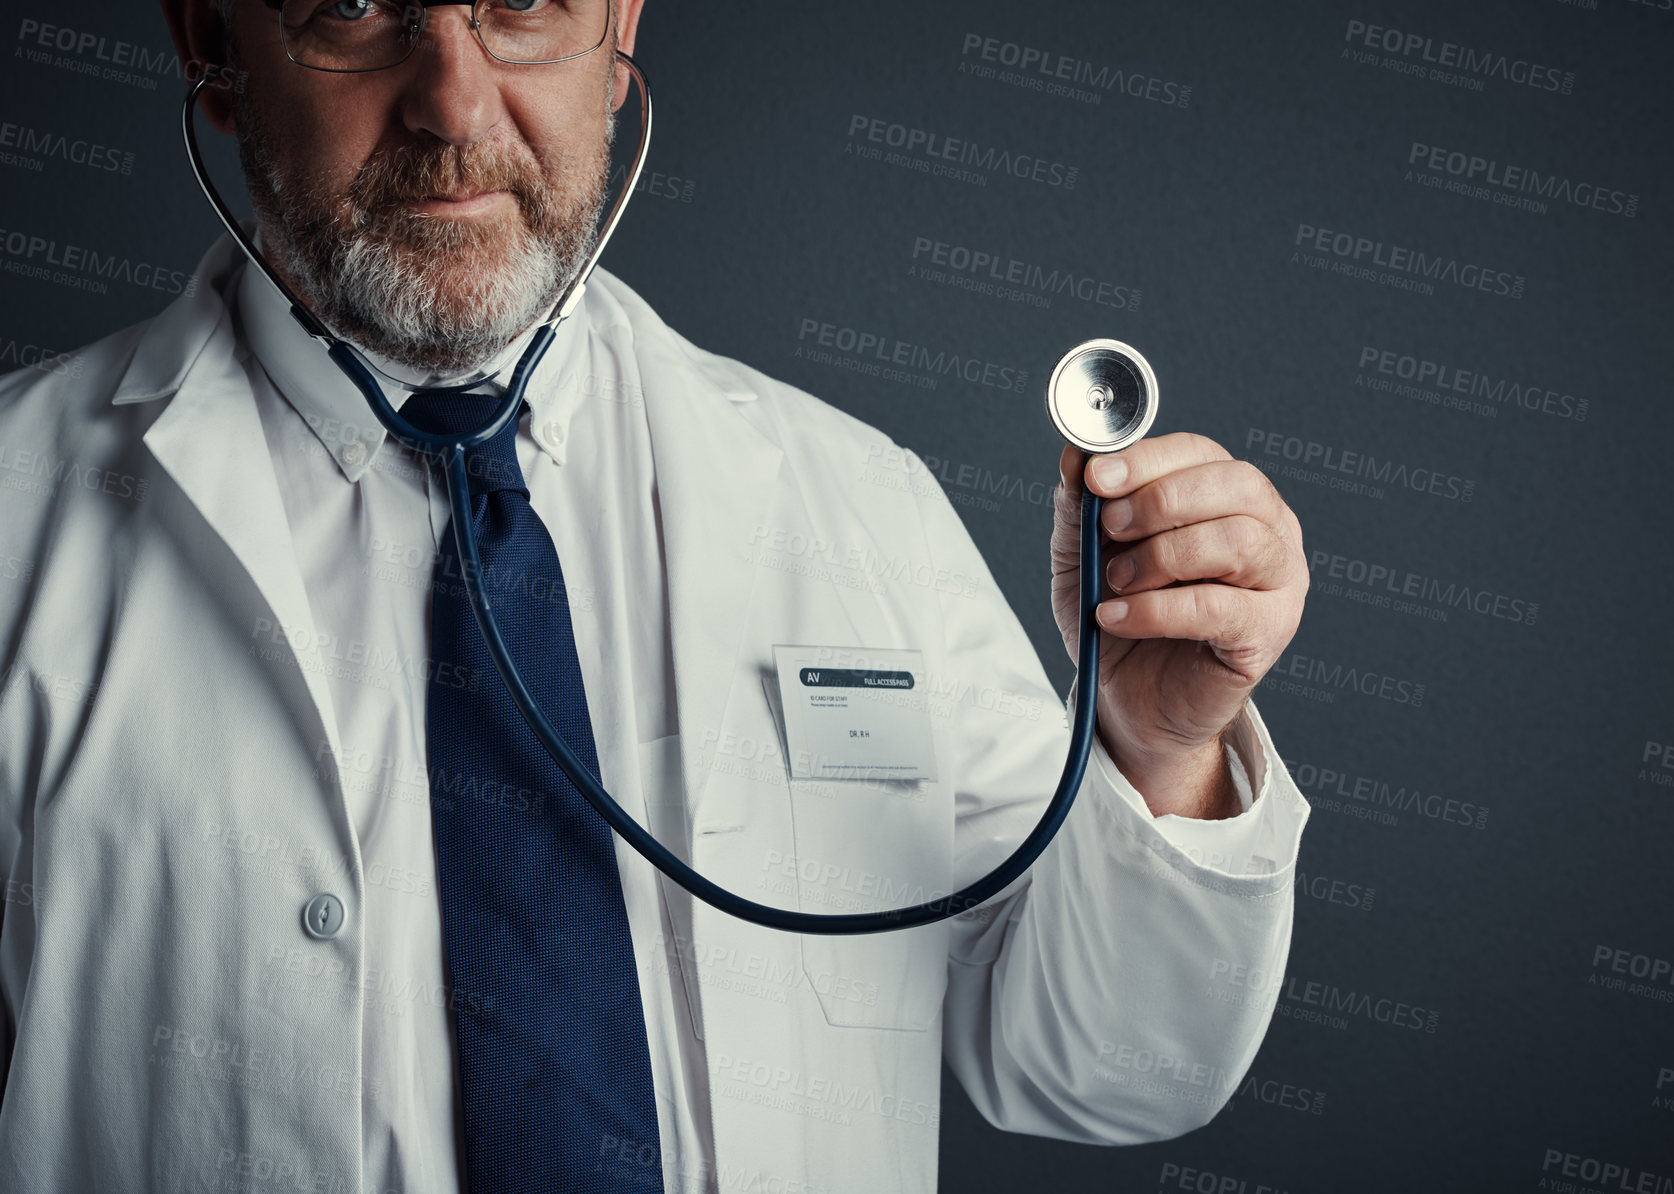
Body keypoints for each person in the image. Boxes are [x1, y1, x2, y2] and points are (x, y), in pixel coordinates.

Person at [0, 1, 1312, 1191]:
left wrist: (1159, 752)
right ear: (209, 51)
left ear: (621, 33)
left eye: (522, 6)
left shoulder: (857, 503)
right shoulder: (21, 517)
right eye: (353, 7)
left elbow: (1097, 1065)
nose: (451, 103)